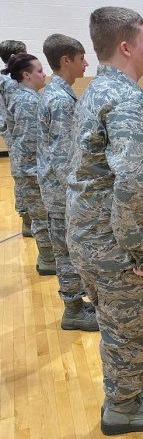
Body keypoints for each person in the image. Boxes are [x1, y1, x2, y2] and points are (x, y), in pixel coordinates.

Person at [66, 6, 143, 435]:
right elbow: (132, 181)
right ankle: (123, 407)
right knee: (134, 327)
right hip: (117, 244)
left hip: (93, 236)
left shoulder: (99, 90)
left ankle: (128, 390)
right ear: (126, 47)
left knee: (119, 323)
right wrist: (140, 246)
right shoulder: (126, 100)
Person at [37, 33, 98, 331]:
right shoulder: (60, 100)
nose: (86, 63)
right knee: (67, 251)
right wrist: (79, 193)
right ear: (66, 60)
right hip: (62, 193)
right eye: (81, 58)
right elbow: (64, 157)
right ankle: (73, 309)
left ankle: (75, 302)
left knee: (67, 249)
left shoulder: (55, 93)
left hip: (56, 189)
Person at [4, 53, 56, 275]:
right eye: (39, 71)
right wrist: (35, 173)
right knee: (43, 218)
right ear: (26, 75)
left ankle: (48, 256)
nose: (44, 74)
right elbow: (28, 142)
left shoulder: (25, 96)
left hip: (29, 169)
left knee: (42, 217)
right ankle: (48, 261)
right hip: (30, 170)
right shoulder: (27, 101)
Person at [0, 39, 32, 237]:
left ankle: (27, 219)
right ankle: (28, 219)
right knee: (25, 177)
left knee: (21, 176)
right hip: (20, 134)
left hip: (13, 133)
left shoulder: (4, 78)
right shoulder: (12, 82)